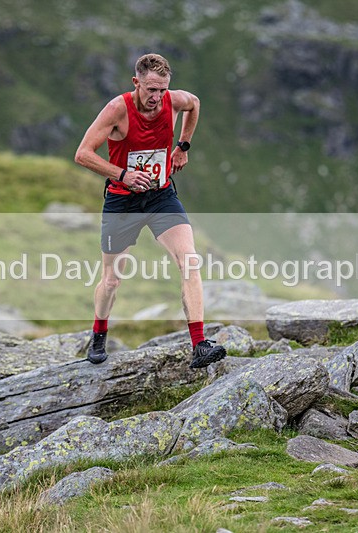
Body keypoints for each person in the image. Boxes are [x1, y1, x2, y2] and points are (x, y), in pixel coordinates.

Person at [74, 52, 226, 369]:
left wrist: (183, 146)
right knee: (112, 280)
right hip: (122, 201)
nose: (157, 97)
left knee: (189, 261)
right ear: (136, 82)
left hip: (160, 196)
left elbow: (194, 103)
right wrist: (121, 174)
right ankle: (99, 332)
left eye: (162, 90)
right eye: (150, 89)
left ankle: (199, 344)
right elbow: (83, 154)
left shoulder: (173, 101)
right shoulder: (118, 109)